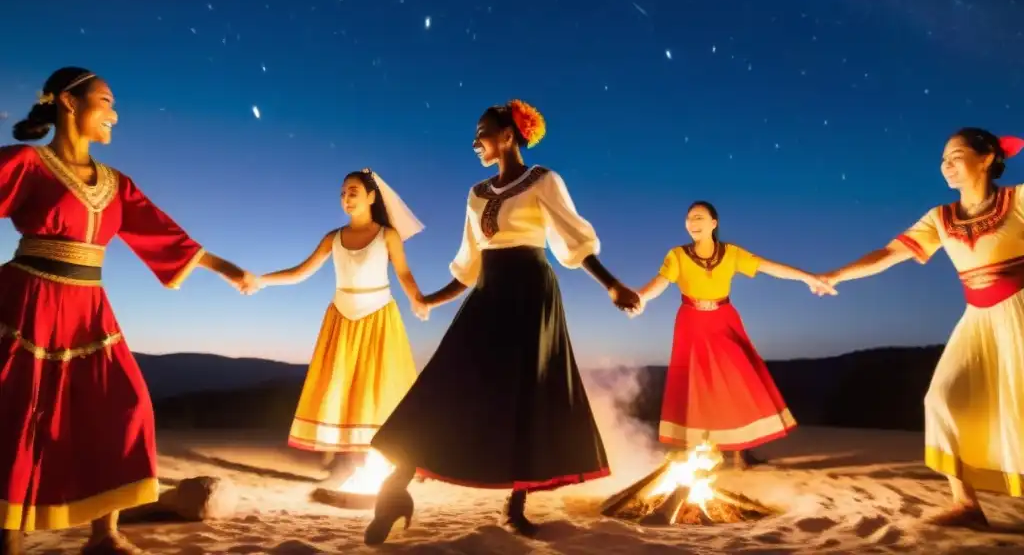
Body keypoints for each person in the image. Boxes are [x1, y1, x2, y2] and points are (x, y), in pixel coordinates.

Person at [362, 99, 640, 545]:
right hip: (488, 295)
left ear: (508, 135)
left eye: (483, 132)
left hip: (532, 294)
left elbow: (574, 241)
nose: (475, 142)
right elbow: (470, 263)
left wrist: (612, 285)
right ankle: (396, 489)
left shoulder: (544, 181)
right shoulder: (476, 194)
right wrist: (433, 299)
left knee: (526, 397)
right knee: (447, 384)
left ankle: (515, 506)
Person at [0, 67, 253, 555]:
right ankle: (8, 537)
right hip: (29, 300)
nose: (114, 113)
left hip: (89, 309)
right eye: (105, 100)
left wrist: (227, 268)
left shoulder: (117, 184)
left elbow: (163, 232)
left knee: (125, 404)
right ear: (69, 104)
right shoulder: (28, 164)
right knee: (19, 412)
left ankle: (104, 534)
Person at [821, 128, 1024, 529]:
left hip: (1019, 311)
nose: (946, 164)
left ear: (987, 159)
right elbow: (890, 252)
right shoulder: (940, 218)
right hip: (978, 321)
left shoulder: (1017, 200)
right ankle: (966, 505)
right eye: (943, 159)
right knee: (941, 400)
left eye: (957, 155)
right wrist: (837, 275)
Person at [255, 169, 429, 482]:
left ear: (371, 197)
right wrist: (261, 280)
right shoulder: (333, 238)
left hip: (377, 318)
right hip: (342, 319)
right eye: (343, 194)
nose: (346, 199)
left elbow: (403, 273)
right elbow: (300, 271)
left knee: (376, 389)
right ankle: (346, 460)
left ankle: (385, 459)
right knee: (341, 388)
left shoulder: (386, 235)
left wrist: (418, 299)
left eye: (353, 192)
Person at [634, 200, 836, 469]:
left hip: (724, 320)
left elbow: (767, 266)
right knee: (697, 384)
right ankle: (699, 455)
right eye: (689, 219)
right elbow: (659, 283)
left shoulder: (730, 253)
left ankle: (743, 452)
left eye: (699, 217)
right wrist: (641, 298)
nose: (693, 223)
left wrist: (807, 277)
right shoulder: (677, 256)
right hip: (691, 323)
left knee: (740, 377)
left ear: (713, 223)